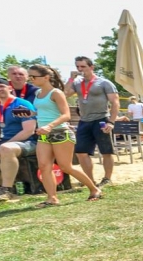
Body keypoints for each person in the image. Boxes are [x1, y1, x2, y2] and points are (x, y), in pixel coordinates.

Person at [27, 64, 101, 205]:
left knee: (66, 167)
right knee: (44, 166)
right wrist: (30, 113)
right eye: (29, 76)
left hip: (60, 133)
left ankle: (94, 189)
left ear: (46, 77)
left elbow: (66, 115)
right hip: (44, 134)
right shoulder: (38, 93)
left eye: (33, 76)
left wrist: (50, 126)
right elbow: (45, 111)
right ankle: (52, 198)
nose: (30, 79)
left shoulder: (56, 93)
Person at [70, 56, 120, 187]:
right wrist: (70, 79)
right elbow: (65, 93)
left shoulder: (104, 83)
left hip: (101, 119)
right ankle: (90, 181)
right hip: (84, 121)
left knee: (106, 151)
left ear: (91, 67)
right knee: (81, 152)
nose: (80, 69)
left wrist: (111, 122)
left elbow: (115, 102)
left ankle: (107, 179)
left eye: (83, 66)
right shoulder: (77, 83)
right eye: (78, 67)